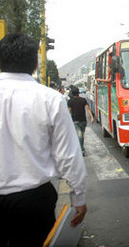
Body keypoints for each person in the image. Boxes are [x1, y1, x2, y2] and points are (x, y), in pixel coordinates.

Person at [0, 33, 87, 246]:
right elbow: (68, 155)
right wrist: (79, 197)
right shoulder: (50, 99)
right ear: (35, 62)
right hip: (33, 202)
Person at [68, 86, 94, 156]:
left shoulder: (70, 101)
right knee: (81, 135)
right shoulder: (83, 100)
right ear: (78, 93)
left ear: (72, 94)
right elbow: (88, 109)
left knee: (80, 136)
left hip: (75, 121)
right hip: (83, 121)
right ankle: (81, 149)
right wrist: (91, 117)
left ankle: (81, 150)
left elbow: (68, 111)